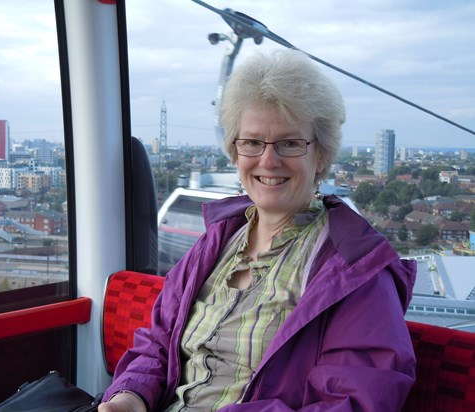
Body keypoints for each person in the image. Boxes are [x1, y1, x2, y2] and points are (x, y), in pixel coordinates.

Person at [99, 49, 416, 411]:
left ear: (322, 155)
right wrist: (130, 396)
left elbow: (355, 402)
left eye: (290, 143)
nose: (268, 160)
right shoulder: (216, 243)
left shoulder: (354, 271)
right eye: (252, 142)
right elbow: (158, 343)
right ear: (235, 152)